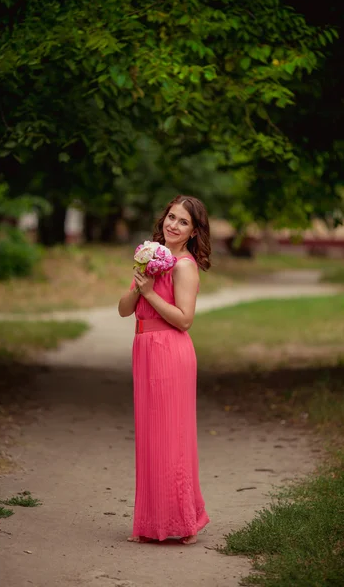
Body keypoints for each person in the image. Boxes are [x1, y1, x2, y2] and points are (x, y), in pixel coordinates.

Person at [118, 195, 211, 545]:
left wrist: (151, 294)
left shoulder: (184, 266)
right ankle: (151, 522)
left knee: (172, 438)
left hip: (171, 352)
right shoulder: (151, 256)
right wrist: (139, 279)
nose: (173, 225)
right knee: (150, 439)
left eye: (183, 222)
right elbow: (124, 310)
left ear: (192, 231)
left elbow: (184, 321)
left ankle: (185, 522)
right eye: (171, 217)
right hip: (143, 349)